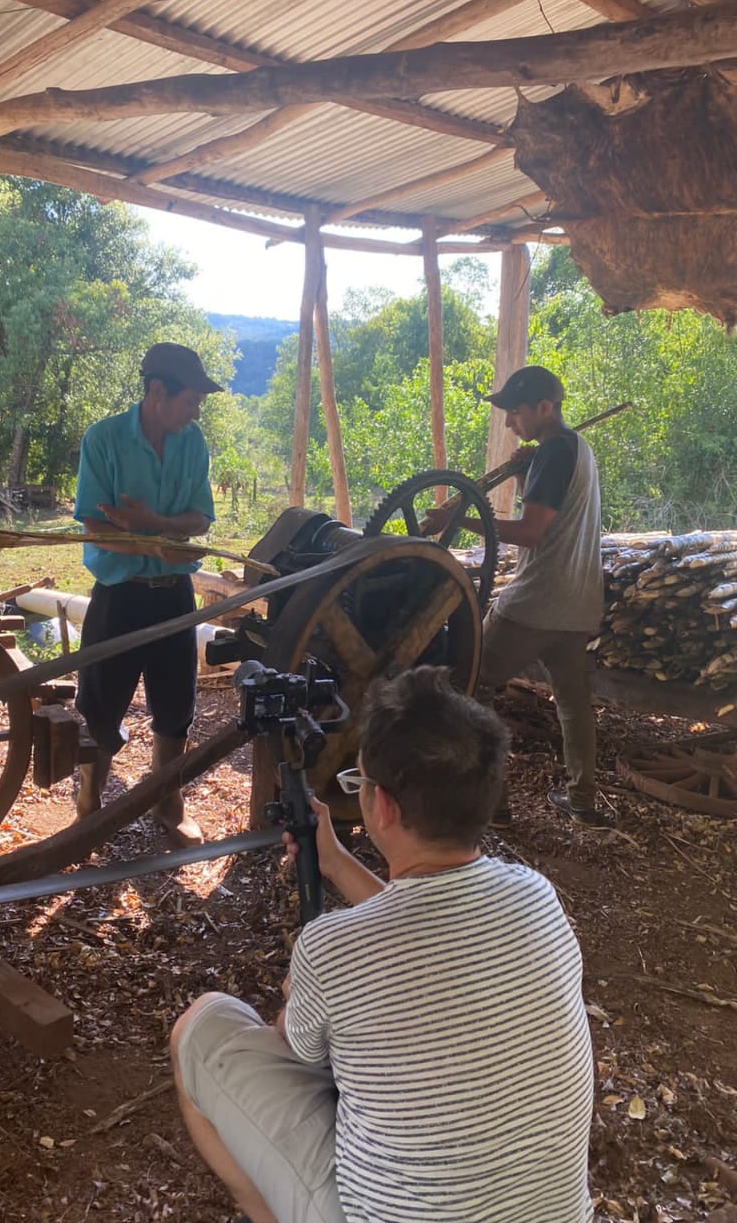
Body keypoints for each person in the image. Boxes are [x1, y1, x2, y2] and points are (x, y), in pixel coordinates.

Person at [171, 667, 595, 1223]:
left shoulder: (333, 949)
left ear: (384, 807)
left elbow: (297, 1048)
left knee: (203, 1023)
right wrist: (333, 862)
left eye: (360, 781)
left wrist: (303, 992)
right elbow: (434, 927)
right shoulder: (534, 896)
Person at [428, 364, 605, 828]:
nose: (510, 423)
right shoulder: (577, 449)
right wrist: (524, 476)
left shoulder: (553, 451)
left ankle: (494, 804)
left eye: (515, 412)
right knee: (572, 700)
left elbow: (529, 533)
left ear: (544, 408)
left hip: (536, 602)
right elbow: (551, 516)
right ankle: (582, 800)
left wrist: (457, 522)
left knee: (472, 679)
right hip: (579, 601)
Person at [73, 342, 222, 846]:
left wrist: (151, 526)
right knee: (99, 703)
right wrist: (160, 545)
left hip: (172, 594)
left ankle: (168, 803)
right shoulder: (104, 439)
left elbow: (199, 518)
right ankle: (88, 806)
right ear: (158, 391)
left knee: (176, 704)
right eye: (191, 399)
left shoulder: (193, 442)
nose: (196, 409)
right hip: (119, 594)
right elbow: (94, 526)